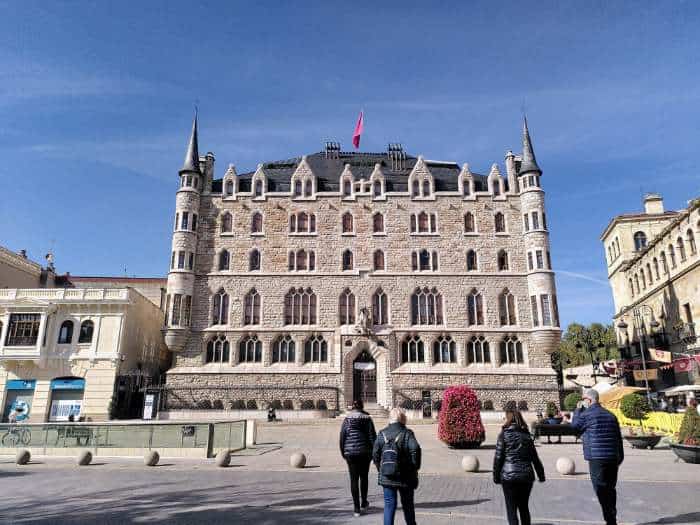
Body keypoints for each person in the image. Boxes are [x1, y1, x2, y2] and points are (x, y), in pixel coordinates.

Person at [571, 389, 624, 525]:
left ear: (588, 400)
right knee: (611, 489)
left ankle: (610, 519)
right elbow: (619, 438)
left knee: (600, 490)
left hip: (597, 458)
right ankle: (611, 516)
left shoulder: (587, 415)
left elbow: (574, 429)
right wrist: (620, 457)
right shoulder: (611, 415)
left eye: (583, 400)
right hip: (613, 457)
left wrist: (577, 411)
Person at [493, 409, 545, 525]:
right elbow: (534, 458)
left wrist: (496, 476)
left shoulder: (503, 435)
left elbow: (498, 458)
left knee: (511, 509)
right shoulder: (526, 435)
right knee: (524, 507)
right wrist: (541, 475)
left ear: (508, 419)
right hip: (526, 475)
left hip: (508, 476)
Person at [372, 407, 421, 525]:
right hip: (405, 476)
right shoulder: (407, 433)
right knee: (408, 505)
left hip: (387, 475)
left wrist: (381, 468)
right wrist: (414, 466)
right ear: (403, 419)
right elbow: (415, 448)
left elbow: (375, 454)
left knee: (389, 505)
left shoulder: (382, 433)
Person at [339, 399, 376, 517]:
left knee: (354, 479)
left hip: (351, 453)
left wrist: (343, 452)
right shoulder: (368, 419)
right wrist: (374, 452)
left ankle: (356, 508)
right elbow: (372, 437)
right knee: (364, 477)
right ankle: (364, 502)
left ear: (352, 408)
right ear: (362, 407)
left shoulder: (347, 420)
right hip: (365, 452)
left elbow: (342, 437)